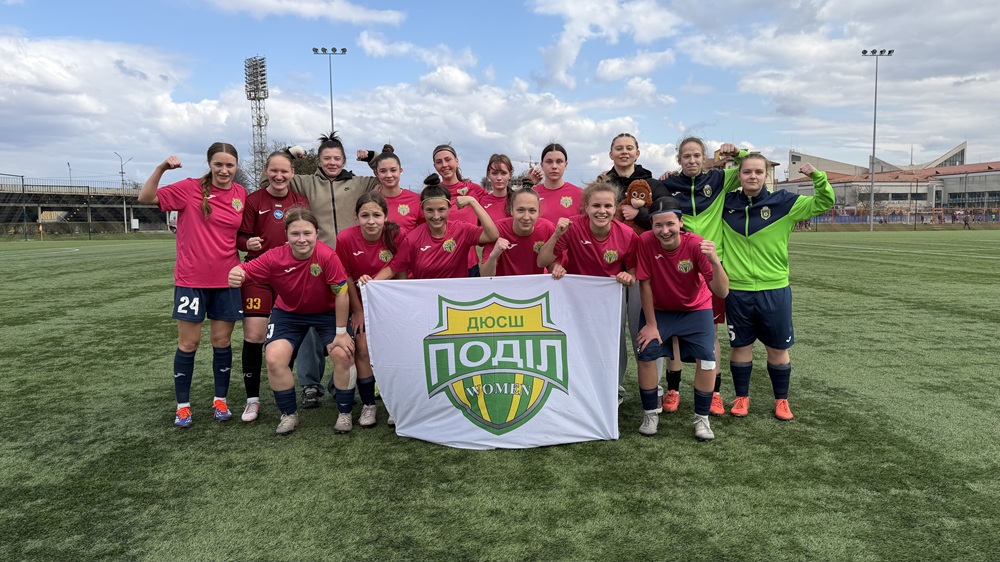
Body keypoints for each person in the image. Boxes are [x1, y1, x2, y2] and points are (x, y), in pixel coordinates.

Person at [137, 143, 247, 428]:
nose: (224, 170)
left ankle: (220, 401)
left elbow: (236, 235)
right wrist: (162, 168)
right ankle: (183, 407)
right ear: (209, 164)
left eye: (230, 165)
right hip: (191, 281)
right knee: (189, 344)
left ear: (236, 166)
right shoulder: (189, 188)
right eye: (219, 164)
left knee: (222, 342)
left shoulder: (240, 193)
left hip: (227, 280)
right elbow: (145, 197)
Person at [721, 157, 834, 420]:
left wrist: (817, 177)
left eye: (758, 172)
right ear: (738, 176)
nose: (752, 176)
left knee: (778, 349)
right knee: (741, 347)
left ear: (766, 176)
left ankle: (781, 400)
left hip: (774, 289)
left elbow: (824, 202)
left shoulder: (783, 202)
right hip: (737, 290)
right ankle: (741, 398)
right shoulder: (725, 204)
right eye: (747, 171)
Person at [228, 207, 354, 435]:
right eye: (295, 233)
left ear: (316, 233)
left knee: (342, 354)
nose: (302, 239)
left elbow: (342, 293)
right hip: (289, 314)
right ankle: (288, 414)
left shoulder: (327, 256)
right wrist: (236, 273)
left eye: (307, 233)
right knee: (274, 358)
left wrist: (341, 332)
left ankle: (345, 413)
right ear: (286, 234)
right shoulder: (275, 257)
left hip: (326, 313)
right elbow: (244, 270)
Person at [282, 133, 379, 410]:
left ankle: (341, 382)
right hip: (315, 263)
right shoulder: (306, 182)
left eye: (337, 158)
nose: (332, 162)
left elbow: (385, 174)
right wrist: (289, 153)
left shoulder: (359, 183)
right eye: (326, 158)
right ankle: (310, 384)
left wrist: (371, 157)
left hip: (349, 263)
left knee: (346, 324)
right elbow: (272, 177)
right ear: (318, 160)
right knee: (310, 324)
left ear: (344, 160)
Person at [658, 137, 745, 416]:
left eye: (697, 155)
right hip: (678, 265)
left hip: (710, 266)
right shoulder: (670, 184)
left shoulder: (719, 179)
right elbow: (651, 200)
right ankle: (673, 390)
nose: (692, 160)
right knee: (674, 335)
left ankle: (714, 393)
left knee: (711, 333)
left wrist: (738, 152)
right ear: (679, 160)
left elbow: (749, 167)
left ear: (705, 157)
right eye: (686, 156)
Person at [634, 197, 729, 441]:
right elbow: (645, 285)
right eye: (658, 225)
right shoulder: (645, 241)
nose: (664, 231)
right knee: (646, 353)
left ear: (681, 222)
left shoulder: (696, 244)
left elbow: (722, 292)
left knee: (707, 361)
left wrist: (715, 261)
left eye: (670, 224)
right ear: (652, 226)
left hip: (695, 310)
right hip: (660, 310)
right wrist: (651, 325)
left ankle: (702, 419)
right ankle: (650, 413)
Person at [537, 180, 638, 403]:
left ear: (615, 207)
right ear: (586, 207)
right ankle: (575, 389)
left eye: (608, 206)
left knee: (613, 341)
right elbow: (543, 261)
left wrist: (628, 277)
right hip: (575, 297)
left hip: (609, 298)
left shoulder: (627, 234)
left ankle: (614, 388)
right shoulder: (573, 226)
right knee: (574, 340)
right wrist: (556, 254)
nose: (602, 211)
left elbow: (633, 271)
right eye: (596, 206)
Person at [236, 151, 310, 422]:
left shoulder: (300, 202)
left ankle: (283, 391)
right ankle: (252, 400)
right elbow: (240, 236)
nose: (279, 176)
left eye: (284, 171)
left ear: (292, 174)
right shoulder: (253, 200)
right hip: (258, 275)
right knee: (254, 336)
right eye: (274, 170)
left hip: (290, 276)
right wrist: (247, 243)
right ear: (266, 171)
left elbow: (307, 233)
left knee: (287, 337)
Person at [603, 133, 671, 410]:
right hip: (610, 270)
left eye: (629, 148)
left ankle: (654, 388)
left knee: (646, 329)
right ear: (611, 154)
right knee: (612, 333)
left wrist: (640, 215)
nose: (624, 152)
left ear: (637, 153)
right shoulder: (603, 182)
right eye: (618, 148)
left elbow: (668, 218)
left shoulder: (653, 184)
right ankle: (613, 387)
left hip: (645, 269)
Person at [335, 192, 404, 429]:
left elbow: (401, 269)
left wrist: (399, 306)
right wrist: (358, 310)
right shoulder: (345, 238)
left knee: (395, 350)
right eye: (365, 216)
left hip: (391, 304)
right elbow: (346, 276)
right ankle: (368, 405)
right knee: (362, 348)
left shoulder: (396, 235)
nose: (371, 221)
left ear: (385, 216)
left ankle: (396, 405)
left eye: (377, 215)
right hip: (361, 304)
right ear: (357, 217)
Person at [372, 174, 498, 280]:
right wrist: (369, 283)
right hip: (425, 299)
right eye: (430, 210)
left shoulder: (462, 230)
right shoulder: (412, 239)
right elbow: (393, 268)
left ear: (449, 208)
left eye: (441, 209)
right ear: (422, 210)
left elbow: (492, 235)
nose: (436, 216)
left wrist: (473, 202)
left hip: (456, 298)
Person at [431, 144, 490, 276]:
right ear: (435, 167)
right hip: (440, 265)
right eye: (439, 162)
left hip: (469, 266)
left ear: (457, 161)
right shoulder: (432, 193)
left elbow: (500, 200)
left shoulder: (474, 189)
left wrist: (528, 184)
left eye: (448, 159)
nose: (444, 165)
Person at [480, 186, 557, 277]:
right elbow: (485, 276)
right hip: (505, 285)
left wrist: (556, 268)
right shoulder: (497, 230)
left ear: (538, 212)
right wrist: (493, 256)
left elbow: (555, 263)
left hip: (537, 285)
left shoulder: (548, 228)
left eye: (532, 211)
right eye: (520, 210)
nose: (526, 217)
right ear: (511, 210)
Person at [364, 148, 422, 235]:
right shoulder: (370, 202)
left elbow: (425, 231)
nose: (388, 175)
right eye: (383, 171)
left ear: (400, 170)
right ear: (376, 173)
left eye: (393, 170)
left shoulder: (416, 199)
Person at [531, 143, 583, 223]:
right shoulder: (532, 194)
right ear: (542, 165)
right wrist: (527, 184)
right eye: (549, 162)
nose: (554, 166)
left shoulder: (579, 194)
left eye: (559, 162)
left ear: (566, 165)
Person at [481, 154, 516, 226]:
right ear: (488, 175)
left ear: (510, 175)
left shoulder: (517, 200)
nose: (499, 178)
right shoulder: (482, 202)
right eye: (494, 173)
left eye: (503, 173)